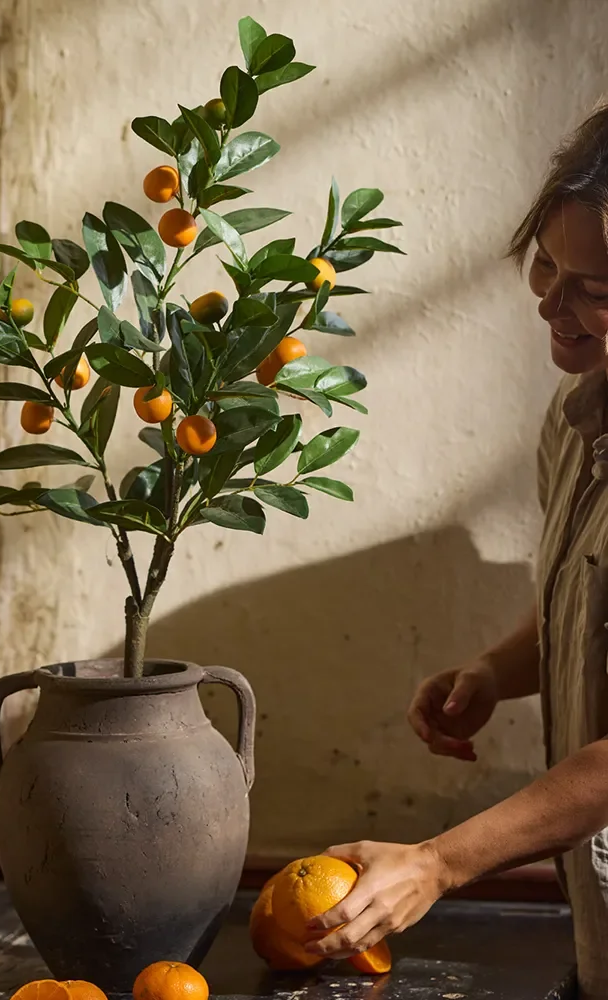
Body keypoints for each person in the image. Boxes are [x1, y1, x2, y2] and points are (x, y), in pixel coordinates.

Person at [304, 102, 608, 998]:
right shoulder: (579, 412)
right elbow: (584, 610)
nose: (551, 301)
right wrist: (496, 667)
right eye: (545, 263)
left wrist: (435, 864)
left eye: (595, 287)